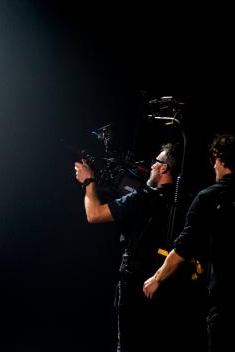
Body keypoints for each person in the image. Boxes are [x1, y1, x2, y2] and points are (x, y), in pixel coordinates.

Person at [75, 143, 204, 352]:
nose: (151, 165)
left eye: (156, 162)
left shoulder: (142, 198)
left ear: (164, 168)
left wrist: (88, 181)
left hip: (136, 285)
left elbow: (94, 214)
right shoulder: (189, 203)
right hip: (172, 288)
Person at [143, 133, 235, 351]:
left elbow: (183, 248)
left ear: (220, 159)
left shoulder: (209, 197)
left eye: (214, 161)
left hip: (225, 303)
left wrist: (157, 278)